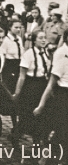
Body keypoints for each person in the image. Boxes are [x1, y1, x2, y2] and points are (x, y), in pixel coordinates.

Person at [34, 29, 68, 165]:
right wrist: (41, 105)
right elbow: (51, 84)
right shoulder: (62, 53)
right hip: (63, 95)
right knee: (61, 131)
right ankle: (44, 160)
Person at [12, 30, 50, 150]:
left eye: (45, 38)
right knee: (27, 116)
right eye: (40, 38)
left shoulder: (46, 53)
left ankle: (36, 143)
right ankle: (15, 137)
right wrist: (17, 93)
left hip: (42, 86)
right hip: (30, 87)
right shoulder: (28, 54)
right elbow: (22, 76)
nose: (44, 40)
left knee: (41, 116)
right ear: (34, 40)